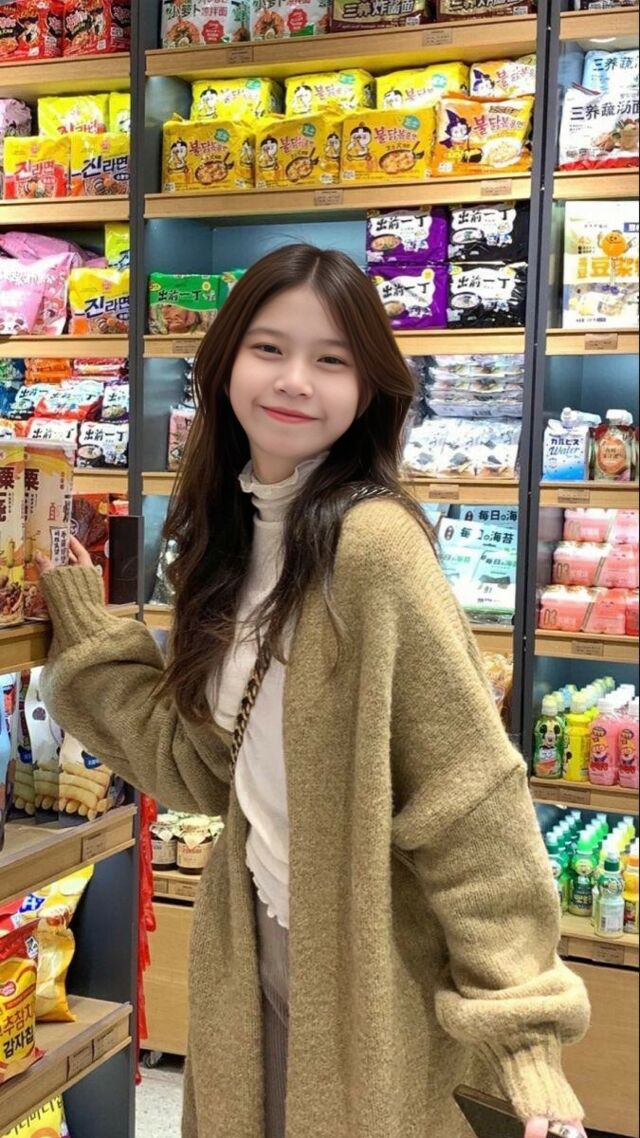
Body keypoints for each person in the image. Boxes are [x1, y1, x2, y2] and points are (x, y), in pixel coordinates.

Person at [37, 244, 591, 1138]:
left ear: (368, 389)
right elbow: (204, 769)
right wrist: (83, 624)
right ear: (223, 365)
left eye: (332, 359)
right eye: (269, 348)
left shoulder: (373, 548)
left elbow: (468, 796)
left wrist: (524, 1032)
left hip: (368, 965)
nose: (295, 380)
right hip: (252, 930)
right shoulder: (230, 537)